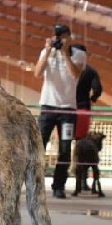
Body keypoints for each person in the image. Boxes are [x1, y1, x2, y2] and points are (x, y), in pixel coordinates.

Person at [33, 24, 87, 199]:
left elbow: (75, 74)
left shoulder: (79, 55)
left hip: (67, 110)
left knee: (64, 148)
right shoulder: (47, 52)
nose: (61, 39)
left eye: (64, 36)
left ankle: (59, 185)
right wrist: (48, 51)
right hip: (48, 106)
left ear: (69, 38)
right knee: (39, 145)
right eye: (58, 36)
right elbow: (37, 72)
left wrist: (64, 53)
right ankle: (35, 183)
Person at [72, 44, 103, 140]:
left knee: (64, 139)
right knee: (81, 139)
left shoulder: (65, 68)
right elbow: (97, 89)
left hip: (66, 109)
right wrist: (93, 99)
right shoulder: (91, 71)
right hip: (83, 109)